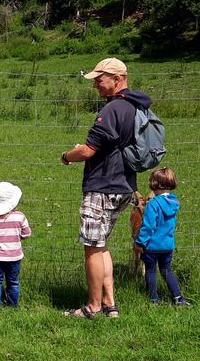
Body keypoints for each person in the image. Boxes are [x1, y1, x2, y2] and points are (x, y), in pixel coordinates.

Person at [60, 57, 153, 318]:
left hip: (102, 185)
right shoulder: (136, 107)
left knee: (91, 245)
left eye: (99, 80)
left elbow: (88, 151)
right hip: (124, 185)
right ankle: (110, 304)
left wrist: (67, 155)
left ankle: (92, 306)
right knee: (102, 245)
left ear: (117, 79)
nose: (96, 86)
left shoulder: (113, 109)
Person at [136, 167, 192, 307]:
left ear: (155, 184)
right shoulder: (174, 202)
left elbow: (148, 226)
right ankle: (178, 298)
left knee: (150, 271)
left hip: (152, 246)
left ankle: (153, 300)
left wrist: (140, 242)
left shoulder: (153, 204)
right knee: (167, 270)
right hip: (167, 245)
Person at [0, 181, 32, 310]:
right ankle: (13, 305)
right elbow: (27, 233)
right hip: (15, 256)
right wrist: (18, 236)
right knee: (13, 282)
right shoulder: (20, 217)